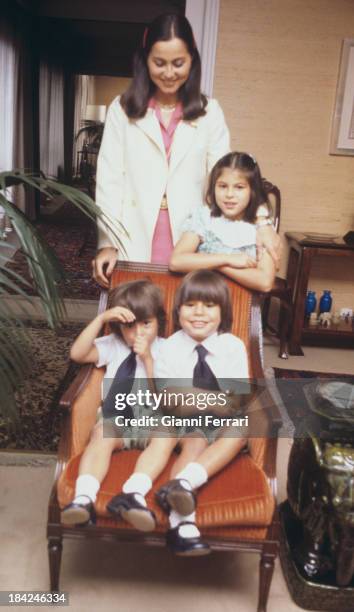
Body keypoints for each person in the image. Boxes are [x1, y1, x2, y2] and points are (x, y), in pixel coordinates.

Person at [92, 13, 280, 287]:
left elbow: (229, 176)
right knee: (136, 320)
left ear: (192, 60)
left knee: (189, 320)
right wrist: (107, 242)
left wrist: (262, 223)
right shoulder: (121, 111)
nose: (169, 73)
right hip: (133, 231)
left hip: (191, 237)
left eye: (178, 63)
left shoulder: (209, 112)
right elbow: (109, 182)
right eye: (159, 63)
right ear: (145, 61)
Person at [61, 279, 179, 532]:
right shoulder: (113, 346)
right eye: (129, 326)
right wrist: (101, 319)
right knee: (102, 434)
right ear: (118, 328)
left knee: (167, 434)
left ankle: (133, 494)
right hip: (117, 416)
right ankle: (84, 499)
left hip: (153, 417)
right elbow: (78, 354)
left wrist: (147, 358)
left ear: (160, 321)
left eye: (146, 324)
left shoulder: (168, 349)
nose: (138, 333)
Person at [154, 270, 250, 556]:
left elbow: (238, 403)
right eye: (191, 305)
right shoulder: (168, 348)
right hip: (181, 424)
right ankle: (182, 522)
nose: (199, 313)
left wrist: (194, 396)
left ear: (223, 312)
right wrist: (217, 399)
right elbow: (171, 401)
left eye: (209, 306)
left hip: (224, 423)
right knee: (195, 438)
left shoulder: (233, 346)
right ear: (178, 309)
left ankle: (183, 483)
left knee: (242, 429)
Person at [169, 151, 276, 293]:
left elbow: (265, 282)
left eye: (239, 187)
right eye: (222, 186)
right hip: (202, 299)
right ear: (214, 187)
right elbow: (176, 262)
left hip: (241, 306)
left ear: (252, 190)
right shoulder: (203, 217)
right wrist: (226, 259)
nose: (229, 195)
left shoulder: (261, 227)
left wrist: (218, 266)